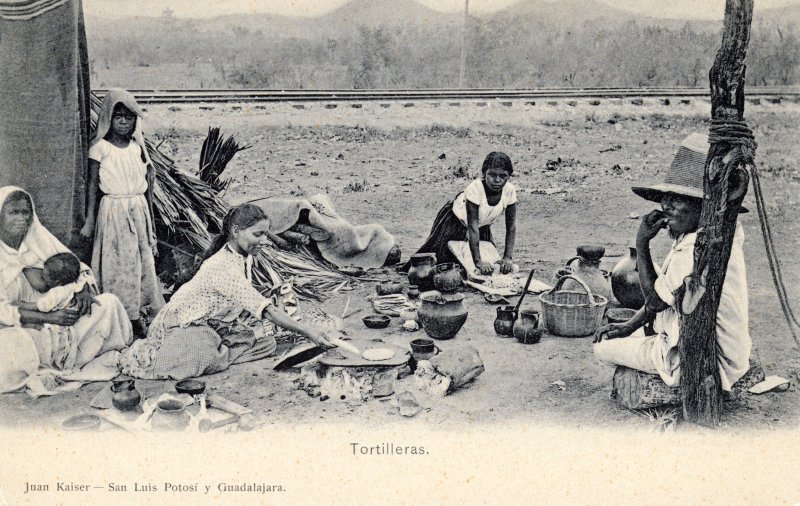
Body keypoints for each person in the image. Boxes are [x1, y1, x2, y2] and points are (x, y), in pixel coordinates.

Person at [593, 133, 751, 392]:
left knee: (600, 348)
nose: (666, 205)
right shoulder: (723, 232)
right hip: (732, 353)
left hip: (700, 360)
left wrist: (642, 243)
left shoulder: (692, 250)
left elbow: (655, 301)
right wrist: (629, 324)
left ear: (703, 206)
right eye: (666, 197)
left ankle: (671, 381)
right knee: (625, 331)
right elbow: (666, 297)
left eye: (678, 198)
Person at [119, 203, 336, 381]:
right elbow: (266, 310)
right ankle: (208, 351)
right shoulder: (222, 267)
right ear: (236, 232)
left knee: (266, 344)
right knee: (202, 351)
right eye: (258, 234)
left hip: (212, 323)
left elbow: (249, 298)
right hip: (179, 325)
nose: (264, 241)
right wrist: (309, 331)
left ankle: (219, 348)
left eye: (265, 234)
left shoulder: (244, 256)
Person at [0, 187, 133, 394]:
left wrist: (82, 289)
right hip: (25, 327)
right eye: (13, 212)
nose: (22, 218)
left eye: (26, 212)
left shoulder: (39, 239)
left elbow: (76, 268)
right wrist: (50, 317)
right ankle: (61, 363)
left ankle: (72, 357)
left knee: (109, 303)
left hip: (64, 320)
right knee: (9, 346)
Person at [80, 88, 165, 339]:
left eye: (128, 117)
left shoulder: (137, 148)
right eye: (118, 116)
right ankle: (122, 315)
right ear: (108, 118)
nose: (123, 122)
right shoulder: (100, 148)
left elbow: (147, 189)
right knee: (119, 263)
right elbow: (93, 185)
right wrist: (90, 219)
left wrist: (151, 224)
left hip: (137, 210)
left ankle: (139, 313)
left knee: (141, 261)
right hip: (114, 211)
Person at [403, 151, 517, 274]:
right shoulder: (475, 189)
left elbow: (511, 227)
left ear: (509, 176)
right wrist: (478, 262)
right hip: (454, 222)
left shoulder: (509, 191)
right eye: (492, 175)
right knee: (443, 266)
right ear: (484, 173)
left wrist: (507, 258)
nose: (497, 180)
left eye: (503, 176)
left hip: (481, 227)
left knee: (486, 268)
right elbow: (472, 227)